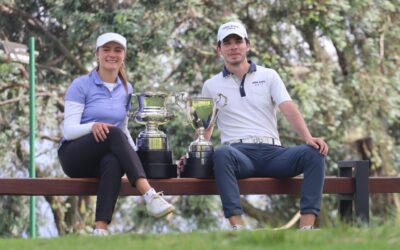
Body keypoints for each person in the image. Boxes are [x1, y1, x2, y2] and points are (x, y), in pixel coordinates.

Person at [201, 21, 328, 230]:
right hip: (238, 156)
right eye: (227, 43)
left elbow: (288, 107)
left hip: (273, 154)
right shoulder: (211, 85)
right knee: (221, 153)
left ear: (247, 45)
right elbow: (206, 126)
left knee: (314, 153)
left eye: (238, 41)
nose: (233, 47)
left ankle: (307, 229)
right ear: (219, 49)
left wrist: (308, 137)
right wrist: (195, 152)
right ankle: (238, 227)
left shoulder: (269, 75)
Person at [58, 32, 175, 236]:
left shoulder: (127, 88)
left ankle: (100, 229)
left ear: (124, 55)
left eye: (117, 50)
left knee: (114, 161)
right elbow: (68, 131)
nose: (112, 54)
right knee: (111, 133)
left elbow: (122, 130)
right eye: (106, 49)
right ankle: (149, 195)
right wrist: (92, 126)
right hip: (73, 156)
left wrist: (135, 157)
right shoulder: (80, 85)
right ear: (97, 54)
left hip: (103, 156)